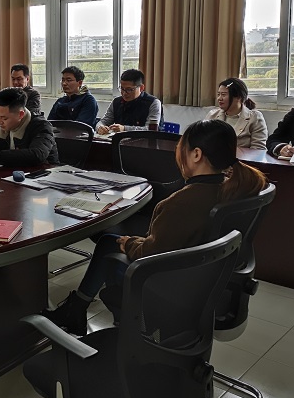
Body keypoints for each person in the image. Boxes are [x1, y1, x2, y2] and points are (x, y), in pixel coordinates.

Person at [39, 119, 267, 336]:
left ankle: (81, 311)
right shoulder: (234, 190)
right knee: (112, 240)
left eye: (182, 148)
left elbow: (150, 254)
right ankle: (77, 308)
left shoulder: (182, 203)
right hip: (203, 281)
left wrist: (129, 243)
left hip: (169, 286)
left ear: (196, 154)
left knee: (110, 245)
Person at [0, 87, 58, 167]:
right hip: (12, 172)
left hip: (44, 173)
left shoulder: (42, 126)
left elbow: (36, 155)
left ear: (20, 115)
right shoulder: (1, 123)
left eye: (5, 118)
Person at [204, 78, 267, 150]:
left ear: (239, 97)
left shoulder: (255, 118)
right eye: (219, 94)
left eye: (223, 95)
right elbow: (203, 141)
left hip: (244, 157)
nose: (219, 98)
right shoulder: (212, 115)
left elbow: (258, 149)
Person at [96, 69, 162, 134]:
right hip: (120, 139)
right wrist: (100, 127)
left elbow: (150, 130)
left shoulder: (153, 103)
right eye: (122, 89)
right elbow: (104, 121)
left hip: (145, 140)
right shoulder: (116, 102)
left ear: (141, 88)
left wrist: (124, 129)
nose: (124, 93)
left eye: (129, 89)